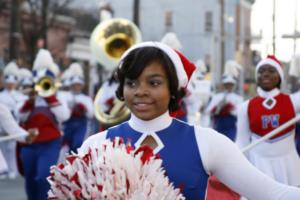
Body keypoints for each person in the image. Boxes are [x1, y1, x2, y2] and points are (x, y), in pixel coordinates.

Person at [78, 42, 300, 199]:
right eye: (132, 83)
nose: (140, 91)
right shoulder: (95, 145)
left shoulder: (206, 143)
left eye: (154, 83)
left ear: (174, 89)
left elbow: (271, 193)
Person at [236, 55, 300, 187]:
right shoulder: (245, 107)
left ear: (279, 76)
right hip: (259, 164)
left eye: (271, 71)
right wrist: (242, 168)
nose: (265, 74)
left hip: (288, 165)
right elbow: (242, 141)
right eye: (261, 71)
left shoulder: (293, 101)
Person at [18, 49, 70, 200]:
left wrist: (50, 97)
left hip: (50, 144)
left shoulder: (58, 97)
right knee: (30, 180)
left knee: (43, 178)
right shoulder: (27, 96)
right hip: (29, 144)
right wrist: (30, 100)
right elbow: (20, 116)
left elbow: (64, 116)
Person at [0, 61, 27, 179]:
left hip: (13, 126)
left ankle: (13, 171)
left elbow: (20, 116)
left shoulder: (21, 97)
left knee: (12, 151)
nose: (10, 84)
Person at [62, 62, 94, 153]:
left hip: (81, 125)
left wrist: (84, 109)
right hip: (67, 124)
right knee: (64, 147)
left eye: (78, 85)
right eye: (75, 84)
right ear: (71, 85)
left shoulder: (86, 99)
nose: (76, 87)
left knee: (78, 145)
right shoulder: (65, 96)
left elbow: (91, 114)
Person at [205, 74, 243, 141]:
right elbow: (208, 110)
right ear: (224, 85)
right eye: (227, 84)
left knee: (230, 143)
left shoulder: (238, 98)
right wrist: (217, 108)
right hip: (219, 124)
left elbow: (240, 113)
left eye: (230, 84)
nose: (228, 86)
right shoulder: (217, 97)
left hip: (231, 125)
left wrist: (229, 109)